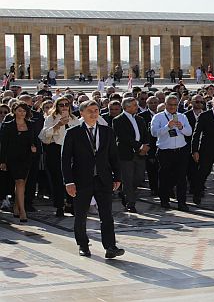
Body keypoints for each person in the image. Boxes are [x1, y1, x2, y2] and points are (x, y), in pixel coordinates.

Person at [61, 100, 124, 258]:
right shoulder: (73, 133)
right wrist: (68, 182)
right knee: (81, 215)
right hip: (81, 180)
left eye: (96, 110)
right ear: (81, 113)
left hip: (103, 179)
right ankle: (83, 244)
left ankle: (110, 246)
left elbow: (114, 156)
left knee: (107, 215)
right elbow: (65, 159)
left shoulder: (106, 131)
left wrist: (117, 177)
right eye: (90, 111)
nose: (94, 113)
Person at [39, 97, 81, 216]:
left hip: (71, 151)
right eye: (61, 105)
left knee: (71, 177)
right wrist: (58, 125)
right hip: (55, 149)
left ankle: (70, 203)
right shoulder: (50, 118)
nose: (64, 107)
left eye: (66, 104)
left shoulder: (74, 118)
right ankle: (59, 206)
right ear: (56, 106)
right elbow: (45, 134)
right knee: (57, 179)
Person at [150, 95, 192, 211]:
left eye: (175, 105)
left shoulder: (182, 116)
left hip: (180, 150)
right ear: (165, 104)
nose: (173, 107)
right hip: (165, 151)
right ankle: (164, 200)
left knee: (181, 178)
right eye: (170, 104)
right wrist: (167, 127)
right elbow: (154, 133)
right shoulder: (158, 117)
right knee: (164, 177)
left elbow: (189, 132)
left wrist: (181, 127)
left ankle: (182, 202)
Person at [0, 102, 38, 223]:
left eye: (24, 111)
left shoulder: (31, 125)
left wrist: (34, 147)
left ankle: (16, 207)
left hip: (27, 158)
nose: (22, 113)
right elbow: (4, 145)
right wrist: (3, 161)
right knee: (20, 182)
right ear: (14, 111)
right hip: (13, 158)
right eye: (19, 110)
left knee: (22, 184)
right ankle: (22, 211)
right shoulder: (8, 125)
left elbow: (34, 140)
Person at [112, 98, 150, 213]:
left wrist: (146, 146)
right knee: (127, 179)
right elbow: (124, 137)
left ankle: (125, 193)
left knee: (138, 177)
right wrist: (139, 146)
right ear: (127, 107)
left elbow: (145, 133)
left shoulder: (140, 119)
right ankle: (130, 203)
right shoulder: (118, 120)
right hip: (126, 154)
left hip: (140, 154)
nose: (136, 107)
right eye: (134, 105)